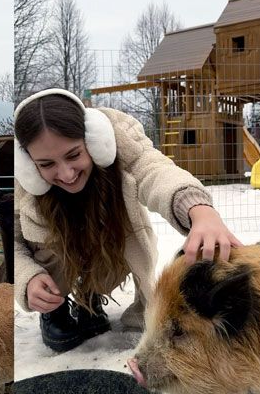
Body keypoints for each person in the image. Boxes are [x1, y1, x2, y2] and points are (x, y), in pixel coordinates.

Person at [12, 88, 242, 352]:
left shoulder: (120, 140)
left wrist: (199, 210)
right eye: (46, 164)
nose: (66, 174)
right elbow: (12, 244)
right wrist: (29, 278)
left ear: (95, 142)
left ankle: (91, 295)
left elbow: (154, 170)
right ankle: (56, 306)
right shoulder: (24, 186)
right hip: (58, 258)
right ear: (29, 166)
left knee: (115, 233)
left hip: (105, 241)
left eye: (74, 155)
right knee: (39, 244)